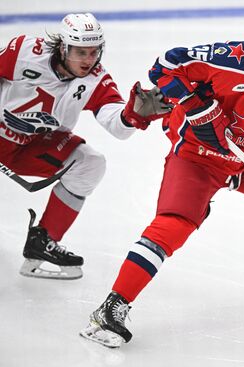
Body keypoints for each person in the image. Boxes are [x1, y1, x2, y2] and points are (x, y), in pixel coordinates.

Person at [80, 11, 244, 347]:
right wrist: (195, 105)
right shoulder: (229, 60)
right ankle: (113, 306)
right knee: (173, 224)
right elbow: (165, 66)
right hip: (198, 157)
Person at [0, 13, 170, 280]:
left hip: (32, 146)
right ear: (63, 47)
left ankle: (41, 244)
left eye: (94, 52)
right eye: (81, 52)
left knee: (90, 164)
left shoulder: (95, 81)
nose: (88, 60)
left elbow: (116, 125)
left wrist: (133, 114)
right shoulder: (24, 51)